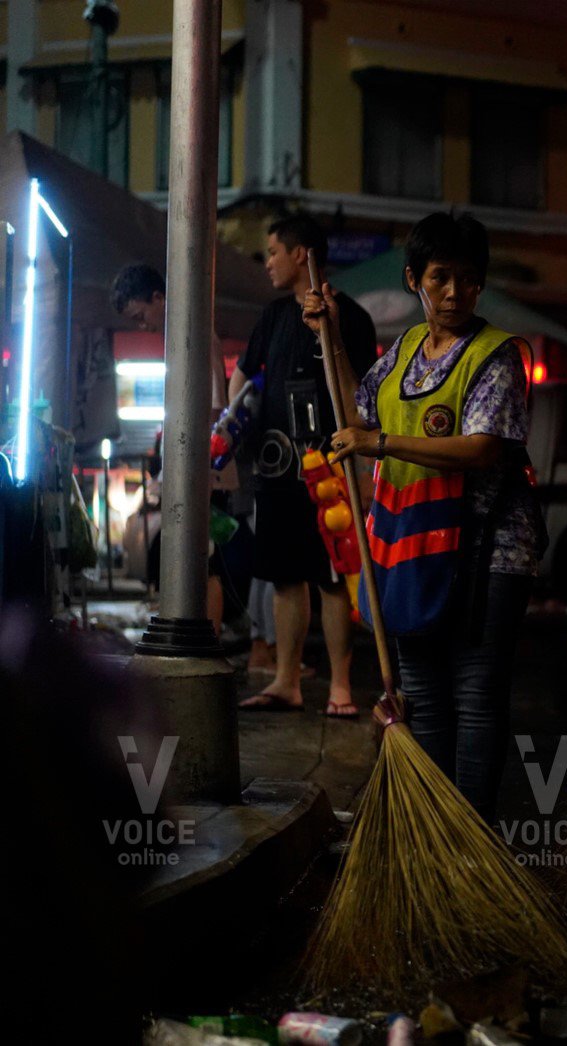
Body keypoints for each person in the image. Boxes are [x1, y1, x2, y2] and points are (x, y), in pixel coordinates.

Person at [315, 211, 545, 822]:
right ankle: (436, 825)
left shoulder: (497, 355)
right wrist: (332, 337)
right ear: (414, 279)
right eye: (440, 277)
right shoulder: (407, 349)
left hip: (488, 548)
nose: (453, 293)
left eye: (469, 280)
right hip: (412, 542)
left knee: (474, 693)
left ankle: (471, 831)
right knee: (420, 692)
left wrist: (380, 445)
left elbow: (482, 449)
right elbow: (357, 415)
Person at [231, 215, 377, 716]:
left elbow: (362, 396)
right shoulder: (271, 316)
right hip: (277, 465)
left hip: (330, 467)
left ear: (301, 255)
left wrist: (328, 327)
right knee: (285, 576)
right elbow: (243, 377)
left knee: (333, 576)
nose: (267, 261)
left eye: (273, 251)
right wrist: (236, 423)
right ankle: (285, 681)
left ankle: (340, 687)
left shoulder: (351, 316)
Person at [110, 263, 235, 639]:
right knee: (197, 555)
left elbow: (215, 404)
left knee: (206, 557)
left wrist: (198, 445)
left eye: (141, 314)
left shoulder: (195, 333)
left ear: (159, 298)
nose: (142, 326)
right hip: (195, 458)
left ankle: (205, 639)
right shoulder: (182, 336)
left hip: (206, 462)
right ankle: (195, 633)